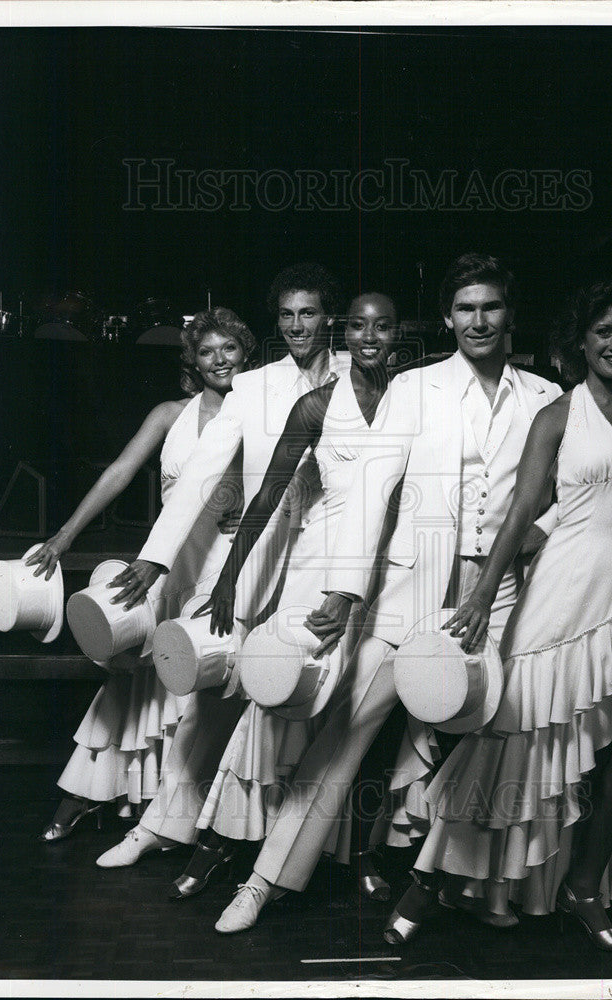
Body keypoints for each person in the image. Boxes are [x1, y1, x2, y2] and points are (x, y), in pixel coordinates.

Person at [214, 255, 612, 935]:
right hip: (409, 591)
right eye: (464, 309)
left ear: (508, 314)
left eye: (489, 308)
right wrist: (342, 590)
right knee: (348, 735)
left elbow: (561, 500)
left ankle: (466, 885)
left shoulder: (546, 396)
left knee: (495, 738)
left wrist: (565, 539)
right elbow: (370, 491)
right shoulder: (414, 387)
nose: (477, 321)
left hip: (507, 596)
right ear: (448, 318)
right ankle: (263, 882)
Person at [393, 280, 612, 953]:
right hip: (558, 596)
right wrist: (479, 601)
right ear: (581, 343)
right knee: (510, 749)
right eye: (601, 333)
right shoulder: (557, 416)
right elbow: (519, 513)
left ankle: (583, 884)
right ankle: (432, 879)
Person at [92, 262, 352, 867]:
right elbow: (202, 474)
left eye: (308, 313)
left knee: (305, 697)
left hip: (330, 559)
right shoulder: (254, 387)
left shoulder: (362, 378)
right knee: (214, 685)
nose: (296, 326)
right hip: (253, 554)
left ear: (329, 317)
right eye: (286, 315)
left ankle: (287, 847)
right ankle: (163, 824)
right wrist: (156, 559)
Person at [173, 292, 418, 902]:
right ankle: (219, 847)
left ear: (396, 334)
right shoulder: (315, 405)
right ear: (344, 331)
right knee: (276, 704)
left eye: (382, 326)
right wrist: (231, 574)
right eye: (357, 326)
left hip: (391, 578)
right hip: (315, 572)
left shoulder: (416, 399)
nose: (369, 337)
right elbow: (267, 495)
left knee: (362, 725)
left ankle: (356, 852)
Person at [34, 307, 254, 840]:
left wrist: (249, 503)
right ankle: (84, 795)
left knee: (200, 685)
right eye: (207, 351)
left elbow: (293, 485)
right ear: (193, 362)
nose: (219, 359)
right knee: (133, 674)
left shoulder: (265, 414)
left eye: (229, 349)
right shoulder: (169, 413)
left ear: (246, 355)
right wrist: (64, 537)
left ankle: (180, 813)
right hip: (164, 561)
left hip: (228, 565)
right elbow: (118, 472)